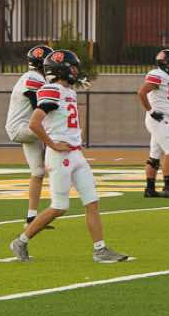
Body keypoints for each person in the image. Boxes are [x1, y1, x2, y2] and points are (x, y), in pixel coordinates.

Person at [9, 49, 132, 265]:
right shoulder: (51, 90)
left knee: (92, 201)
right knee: (59, 207)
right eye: (72, 67)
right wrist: (52, 144)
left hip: (76, 153)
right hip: (60, 156)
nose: (76, 71)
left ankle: (100, 249)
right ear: (61, 69)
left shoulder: (69, 92)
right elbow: (34, 123)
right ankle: (21, 241)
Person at [7, 45, 52, 223]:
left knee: (38, 172)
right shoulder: (34, 78)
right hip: (23, 128)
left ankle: (31, 217)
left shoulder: (32, 77)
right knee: (57, 130)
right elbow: (39, 106)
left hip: (26, 128)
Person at [140, 47, 169, 199]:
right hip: (158, 118)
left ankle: (150, 188)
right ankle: (168, 187)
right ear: (164, 63)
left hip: (165, 119)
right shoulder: (157, 75)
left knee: (155, 155)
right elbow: (141, 92)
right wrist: (151, 111)